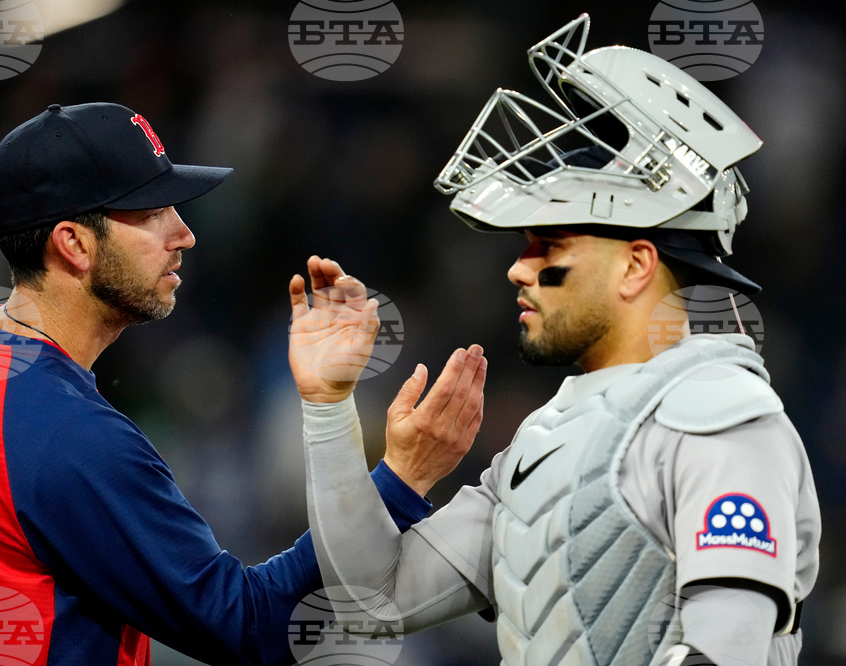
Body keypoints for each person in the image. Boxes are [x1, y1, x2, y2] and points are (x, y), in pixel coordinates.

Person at [0, 102, 482, 665]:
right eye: (153, 212)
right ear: (73, 243)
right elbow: (252, 628)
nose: (184, 233)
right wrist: (398, 481)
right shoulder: (68, 436)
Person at [295, 15, 820, 666]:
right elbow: (370, 601)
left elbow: (725, 652)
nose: (518, 269)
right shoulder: (545, 440)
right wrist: (328, 408)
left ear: (635, 266)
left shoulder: (720, 420)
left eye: (550, 244)